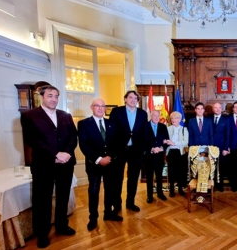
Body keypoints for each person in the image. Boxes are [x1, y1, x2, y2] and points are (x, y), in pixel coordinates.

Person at [20, 85, 77, 248]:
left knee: (63, 196)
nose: (54, 99)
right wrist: (55, 154)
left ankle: (61, 225)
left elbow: (73, 136)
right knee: (42, 199)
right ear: (42, 97)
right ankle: (42, 233)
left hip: (66, 163)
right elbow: (32, 140)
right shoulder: (29, 115)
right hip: (43, 164)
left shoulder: (65, 115)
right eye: (50, 96)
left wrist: (65, 153)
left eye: (56, 96)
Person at [78, 98, 122, 232]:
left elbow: (116, 143)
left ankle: (108, 213)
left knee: (110, 189)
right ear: (92, 107)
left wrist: (110, 157)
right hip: (94, 164)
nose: (100, 108)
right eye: (97, 106)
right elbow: (84, 145)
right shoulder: (84, 124)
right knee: (94, 191)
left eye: (103, 106)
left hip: (110, 163)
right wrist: (98, 159)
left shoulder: (112, 124)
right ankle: (93, 218)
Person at [108, 90, 148, 212]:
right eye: (130, 97)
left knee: (133, 178)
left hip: (135, 151)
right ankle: (117, 204)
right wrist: (112, 150)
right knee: (117, 178)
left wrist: (142, 150)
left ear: (137, 101)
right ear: (125, 99)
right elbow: (111, 132)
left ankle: (130, 202)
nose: (133, 100)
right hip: (119, 150)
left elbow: (144, 133)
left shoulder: (142, 113)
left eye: (135, 98)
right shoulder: (116, 112)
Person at [144, 110, 169, 203]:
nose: (156, 117)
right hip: (149, 156)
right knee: (149, 177)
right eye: (154, 115)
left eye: (158, 116)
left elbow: (167, 140)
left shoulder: (163, 127)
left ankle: (160, 193)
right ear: (151, 116)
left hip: (159, 156)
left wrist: (161, 148)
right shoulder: (145, 126)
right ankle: (149, 195)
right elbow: (142, 141)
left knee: (159, 176)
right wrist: (151, 149)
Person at [165, 111, 189, 197]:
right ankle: (171, 190)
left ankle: (180, 189)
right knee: (171, 171)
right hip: (171, 152)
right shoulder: (167, 129)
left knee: (180, 171)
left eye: (175, 118)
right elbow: (165, 140)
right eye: (172, 118)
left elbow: (186, 141)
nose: (173, 120)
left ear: (179, 119)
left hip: (180, 152)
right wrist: (166, 142)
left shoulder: (184, 129)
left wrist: (174, 143)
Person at [212, 103, 230, 191]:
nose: (218, 109)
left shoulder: (226, 120)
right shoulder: (208, 119)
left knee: (221, 167)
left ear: (222, 109)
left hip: (222, 147)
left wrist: (226, 148)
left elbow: (228, 135)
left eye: (219, 108)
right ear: (213, 109)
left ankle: (220, 185)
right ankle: (213, 185)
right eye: (216, 108)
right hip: (211, 147)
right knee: (212, 167)